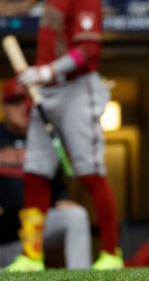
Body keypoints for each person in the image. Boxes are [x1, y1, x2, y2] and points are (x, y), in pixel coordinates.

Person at [5, 0, 122, 272]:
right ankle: (31, 254)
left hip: (76, 90)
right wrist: (41, 79)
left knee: (90, 172)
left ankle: (112, 254)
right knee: (36, 172)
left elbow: (88, 50)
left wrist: (46, 73)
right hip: (49, 90)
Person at [0, 79, 92, 269]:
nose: (21, 108)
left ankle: (83, 279)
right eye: (14, 102)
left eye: (25, 102)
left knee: (76, 215)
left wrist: (62, 198)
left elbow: (57, 182)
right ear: (3, 106)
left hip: (37, 228)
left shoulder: (45, 136)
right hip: (4, 232)